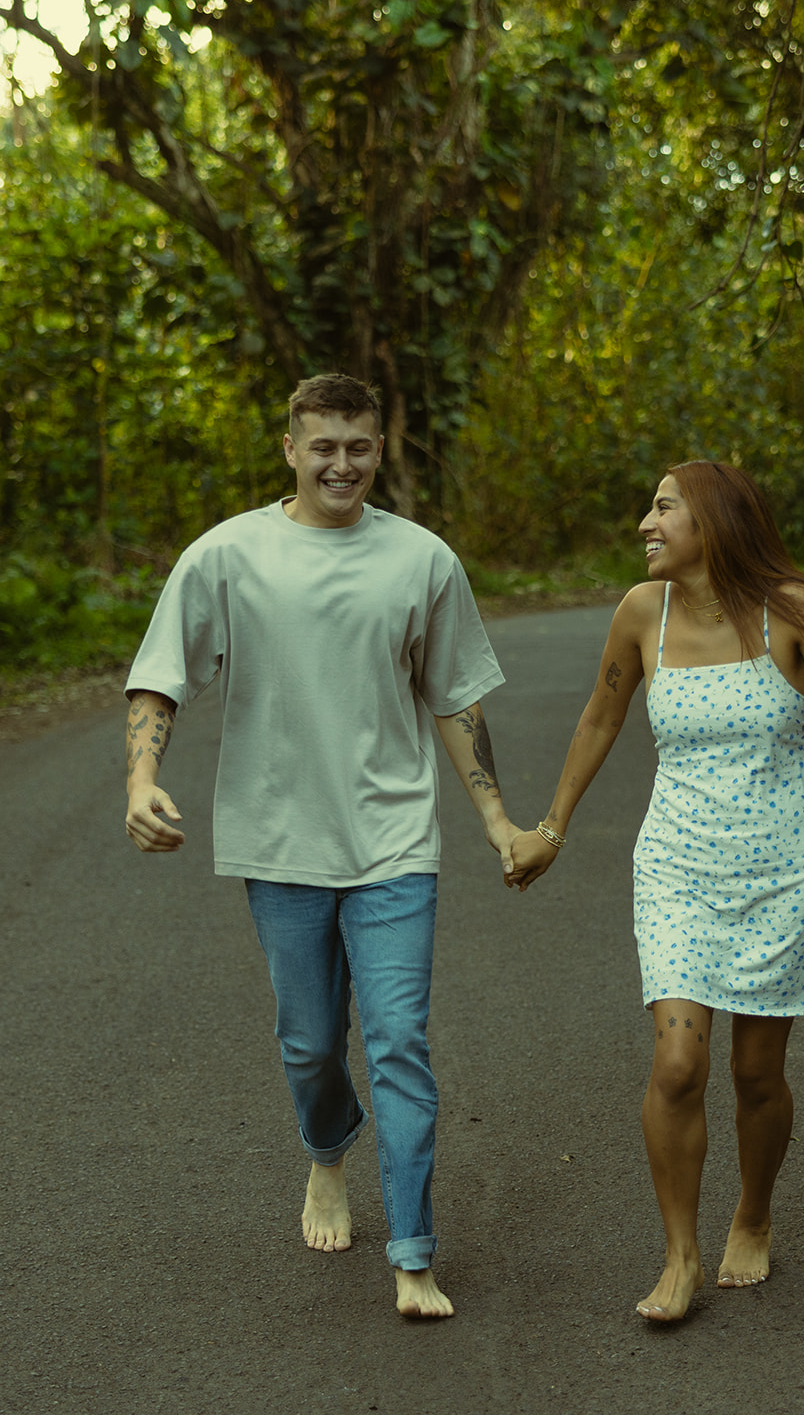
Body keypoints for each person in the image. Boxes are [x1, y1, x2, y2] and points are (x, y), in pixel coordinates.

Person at [124, 373, 527, 1320]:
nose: (340, 464)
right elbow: (160, 678)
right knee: (308, 1045)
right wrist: (140, 782)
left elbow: (455, 699)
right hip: (279, 843)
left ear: (380, 449)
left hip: (394, 844)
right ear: (290, 448)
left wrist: (498, 822)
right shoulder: (227, 556)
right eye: (323, 446)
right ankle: (324, 1155)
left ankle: (413, 1254)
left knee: (398, 1043)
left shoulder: (423, 560)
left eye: (358, 446)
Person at [507, 460, 804, 1322]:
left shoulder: (796, 611)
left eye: (661, 508)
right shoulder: (638, 614)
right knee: (679, 1064)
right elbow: (600, 717)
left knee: (757, 1075)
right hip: (677, 871)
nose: (644, 523)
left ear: (715, 521)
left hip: (781, 873)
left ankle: (754, 1215)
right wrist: (551, 828)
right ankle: (679, 1256)